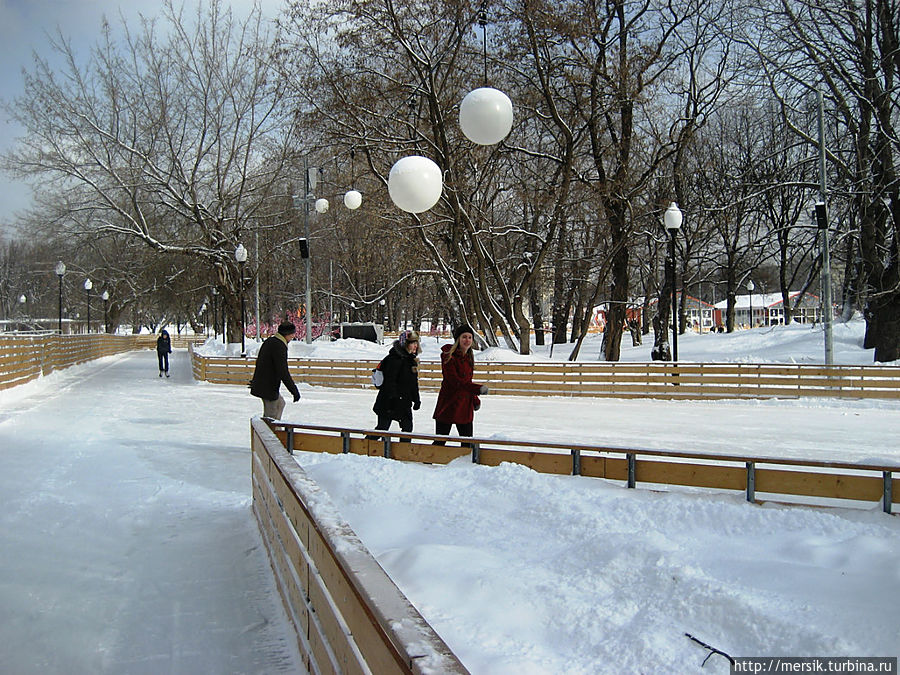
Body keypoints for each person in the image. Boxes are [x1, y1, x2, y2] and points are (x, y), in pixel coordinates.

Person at [432, 324, 488, 444]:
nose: (467, 340)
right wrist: (477, 389)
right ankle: (428, 460)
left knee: (467, 442)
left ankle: (466, 462)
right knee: (440, 442)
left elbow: (467, 382)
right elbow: (456, 382)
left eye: (469, 337)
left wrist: (474, 399)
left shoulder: (469, 357)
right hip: (448, 403)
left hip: (464, 406)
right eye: (464, 337)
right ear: (458, 339)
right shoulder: (449, 356)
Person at [370, 330, 421, 434]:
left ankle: (403, 450)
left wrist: (416, 399)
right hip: (389, 402)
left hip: (404, 401)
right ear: (405, 344)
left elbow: (413, 383)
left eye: (416, 343)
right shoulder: (394, 360)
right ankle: (365, 448)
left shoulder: (411, 360)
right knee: (382, 429)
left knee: (407, 430)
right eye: (412, 343)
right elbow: (390, 381)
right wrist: (394, 397)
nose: (415, 346)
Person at [249, 321, 301, 420]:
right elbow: (283, 371)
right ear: (286, 334)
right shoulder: (279, 346)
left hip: (265, 384)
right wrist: (294, 391)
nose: (293, 336)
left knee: (280, 404)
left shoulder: (272, 341)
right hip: (267, 386)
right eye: (292, 334)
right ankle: (269, 432)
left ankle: (276, 429)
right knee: (271, 415)